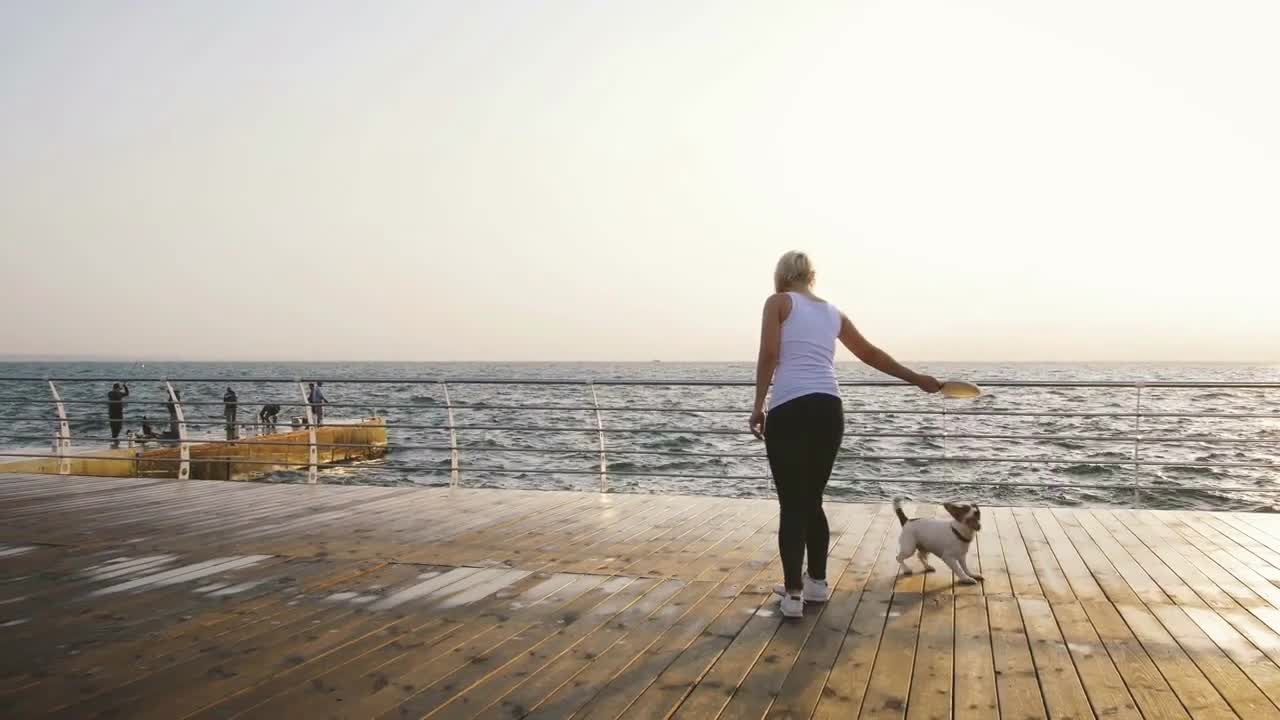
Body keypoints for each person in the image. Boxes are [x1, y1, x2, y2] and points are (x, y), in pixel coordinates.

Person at [751, 251, 940, 619]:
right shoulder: (833, 313)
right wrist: (917, 379)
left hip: (791, 408)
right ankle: (816, 585)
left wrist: (758, 406)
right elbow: (870, 354)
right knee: (812, 499)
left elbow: (769, 353)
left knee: (792, 504)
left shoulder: (778, 303)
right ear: (811, 276)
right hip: (829, 409)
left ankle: (792, 596)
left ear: (782, 276)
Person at [107, 383, 129, 447]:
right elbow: (118, 395)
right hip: (115, 413)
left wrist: (125, 387)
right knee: (114, 427)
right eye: (118, 388)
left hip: (116, 413)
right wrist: (122, 388)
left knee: (118, 427)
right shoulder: (111, 393)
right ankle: (115, 440)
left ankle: (115, 440)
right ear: (116, 388)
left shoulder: (114, 393)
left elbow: (127, 393)